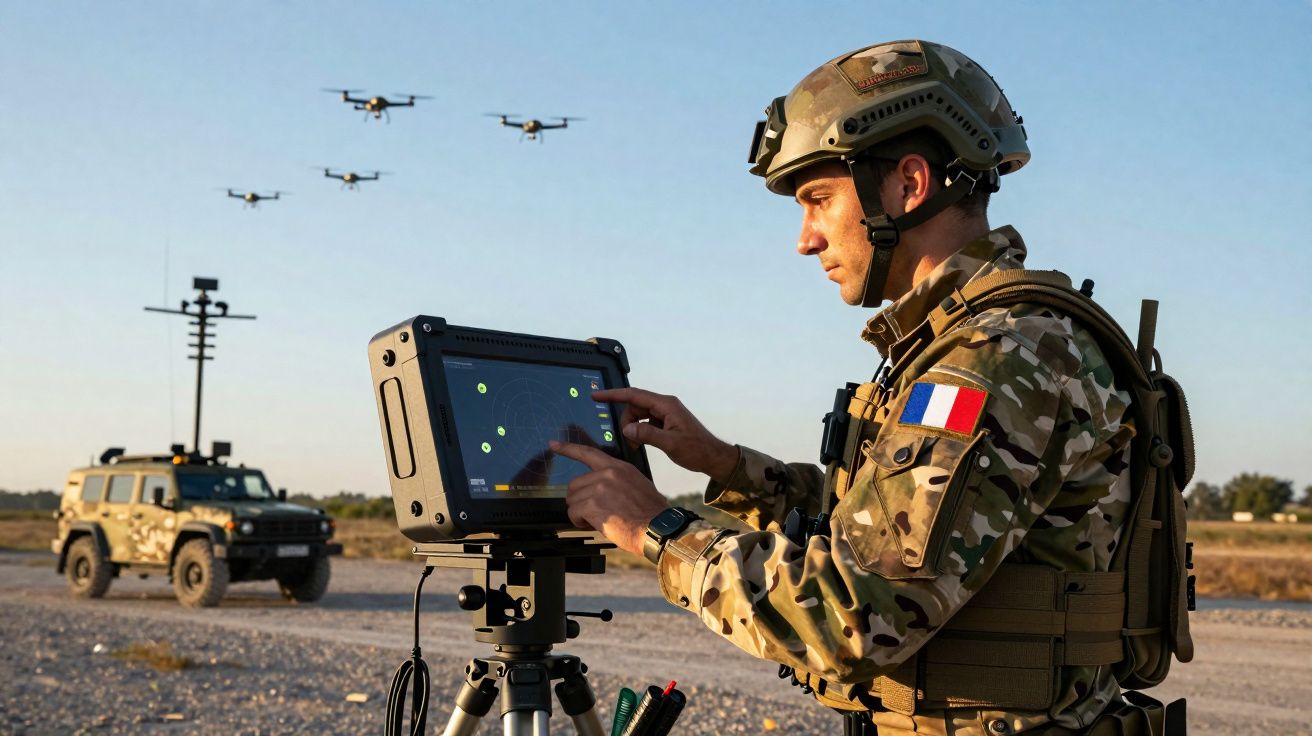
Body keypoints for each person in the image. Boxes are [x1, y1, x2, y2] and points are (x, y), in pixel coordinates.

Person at [552, 40, 1146, 735]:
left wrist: (658, 529)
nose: (805, 239)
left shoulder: (996, 355)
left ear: (910, 184)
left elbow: (855, 619)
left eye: (817, 199)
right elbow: (879, 530)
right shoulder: (972, 339)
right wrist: (725, 465)